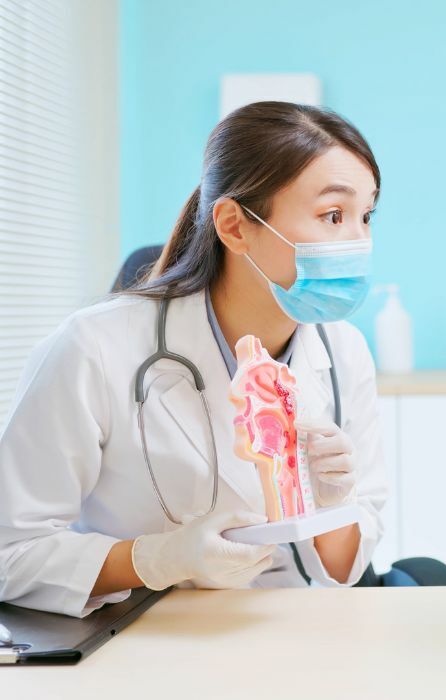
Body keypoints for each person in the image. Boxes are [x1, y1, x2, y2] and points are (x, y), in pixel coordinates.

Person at [0, 101, 388, 617]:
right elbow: (11, 555)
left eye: (366, 216)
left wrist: (336, 506)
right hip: (146, 637)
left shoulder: (344, 350)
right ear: (233, 226)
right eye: (332, 215)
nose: (358, 241)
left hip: (295, 634)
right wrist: (160, 559)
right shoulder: (94, 347)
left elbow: (345, 571)